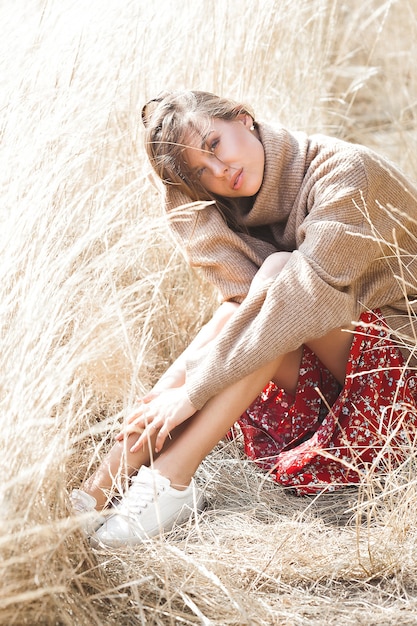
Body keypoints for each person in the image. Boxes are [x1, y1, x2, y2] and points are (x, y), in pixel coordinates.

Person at [72, 90, 417, 548]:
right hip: (346, 378)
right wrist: (182, 190)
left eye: (215, 145)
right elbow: (239, 300)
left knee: (277, 279)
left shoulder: (346, 173)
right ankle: (101, 487)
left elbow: (296, 305)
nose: (220, 172)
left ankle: (170, 482)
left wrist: (193, 393)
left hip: (401, 382)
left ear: (245, 118)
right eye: (201, 172)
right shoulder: (236, 197)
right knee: (242, 306)